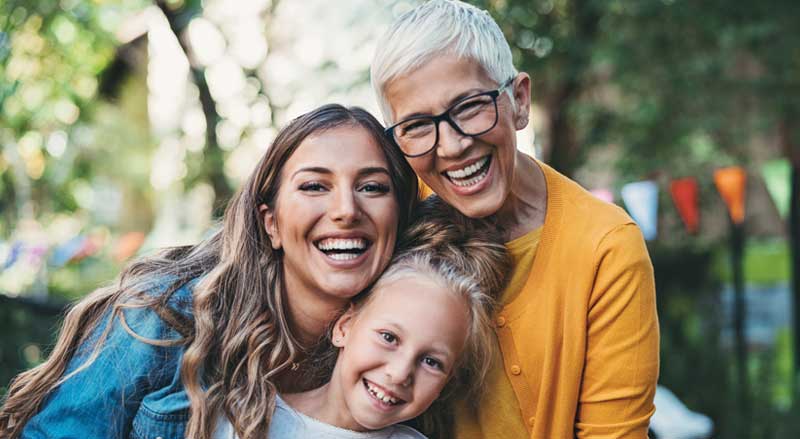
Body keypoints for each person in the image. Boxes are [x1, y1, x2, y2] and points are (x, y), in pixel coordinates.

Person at [0, 104, 419, 439]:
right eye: (314, 186)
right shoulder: (165, 317)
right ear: (270, 222)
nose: (347, 210)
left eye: (372, 187)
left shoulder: (405, 352)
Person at [371, 1, 660, 438]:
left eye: (468, 107)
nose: (450, 147)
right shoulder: (393, 215)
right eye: (416, 125)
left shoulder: (605, 248)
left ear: (519, 100)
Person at [213, 196, 512, 439]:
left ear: (446, 383)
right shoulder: (247, 417)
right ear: (344, 327)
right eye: (389, 337)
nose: (399, 373)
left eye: (432, 362)